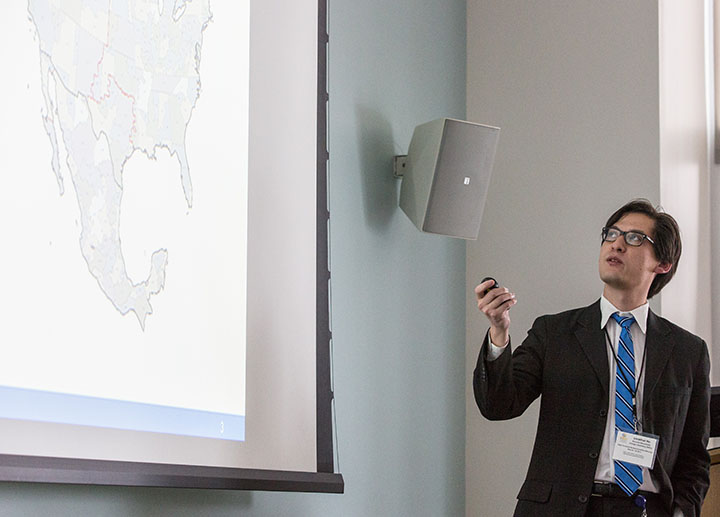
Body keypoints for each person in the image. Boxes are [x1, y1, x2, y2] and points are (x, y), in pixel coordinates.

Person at [474, 199, 710, 517]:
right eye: (611, 234)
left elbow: (694, 457)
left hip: (645, 508)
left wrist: (682, 511)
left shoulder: (687, 351)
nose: (617, 244)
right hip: (560, 508)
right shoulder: (554, 332)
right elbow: (499, 405)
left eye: (635, 238)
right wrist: (499, 332)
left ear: (663, 264)